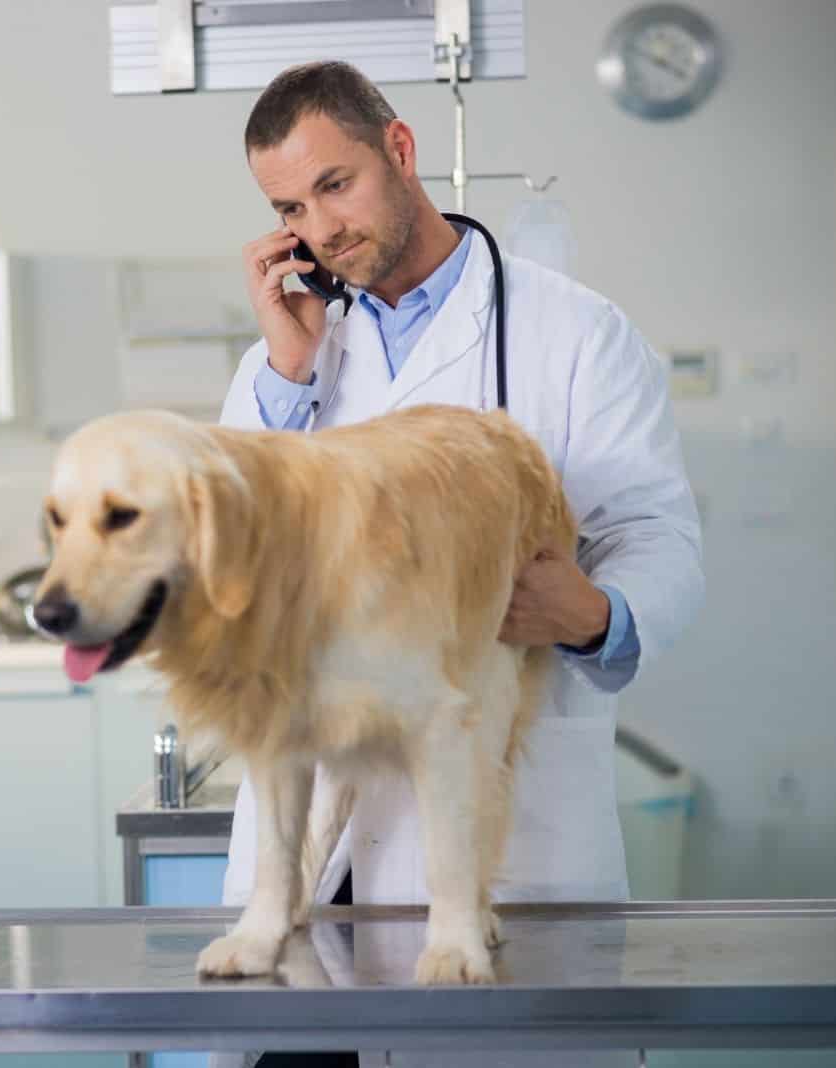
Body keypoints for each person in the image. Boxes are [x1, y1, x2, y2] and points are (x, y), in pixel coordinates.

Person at [215, 62, 704, 1067]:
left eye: (336, 184)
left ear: (400, 151)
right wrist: (286, 376)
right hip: (318, 857)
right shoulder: (292, 355)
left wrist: (594, 614)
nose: (319, 227)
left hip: (503, 832)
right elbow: (233, 561)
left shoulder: (572, 334)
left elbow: (658, 539)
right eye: (289, 207)